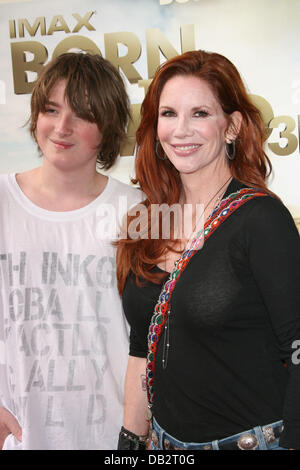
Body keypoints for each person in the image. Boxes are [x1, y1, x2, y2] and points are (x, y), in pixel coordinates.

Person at [116, 50, 300, 451]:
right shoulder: (145, 220)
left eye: (199, 113)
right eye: (168, 114)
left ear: (231, 126)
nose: (181, 130)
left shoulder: (261, 220)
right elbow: (139, 347)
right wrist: (130, 444)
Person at [0, 52, 141, 450]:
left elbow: (157, 333)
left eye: (82, 114)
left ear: (109, 127)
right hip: (21, 436)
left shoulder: (139, 210)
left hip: (115, 437)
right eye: (51, 109)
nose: (62, 128)